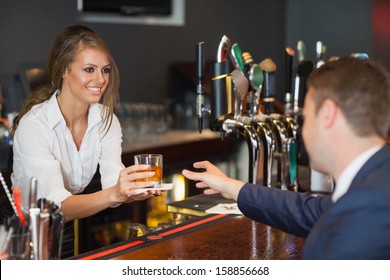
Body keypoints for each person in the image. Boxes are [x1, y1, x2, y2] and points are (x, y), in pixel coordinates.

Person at [182, 57, 390, 259]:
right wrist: (231, 186)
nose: (301, 129)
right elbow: (311, 212)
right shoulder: (374, 181)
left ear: (328, 115)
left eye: (305, 117)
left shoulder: (368, 207)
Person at [10, 25, 161, 256]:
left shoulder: (105, 119)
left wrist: (132, 190)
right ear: (64, 70)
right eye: (89, 69)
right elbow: (56, 205)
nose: (100, 79)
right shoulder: (34, 126)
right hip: (25, 234)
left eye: (105, 70)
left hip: (69, 224)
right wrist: (115, 194)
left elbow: (113, 182)